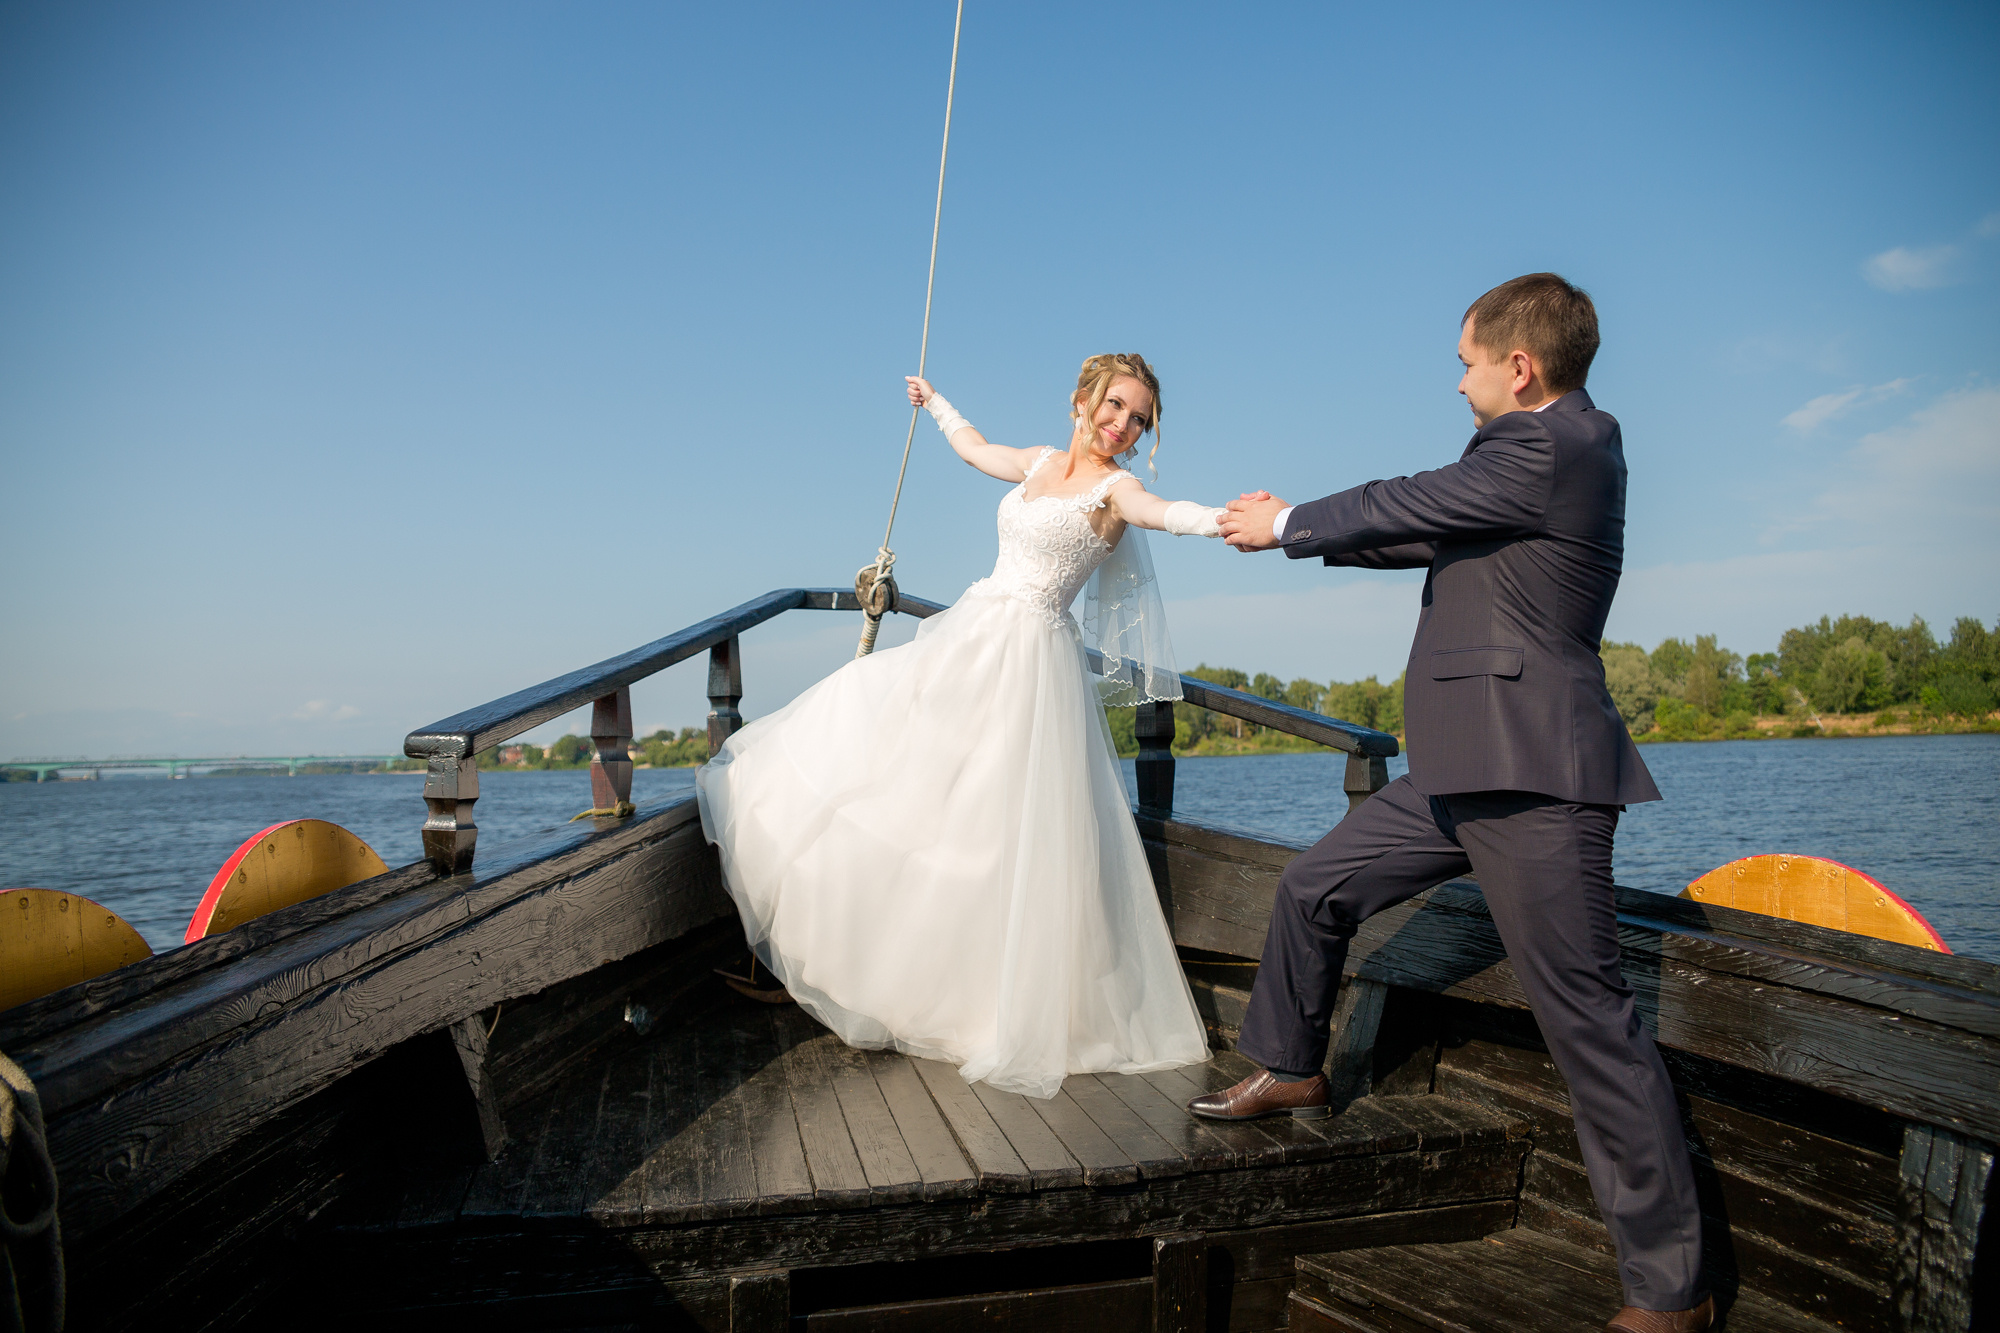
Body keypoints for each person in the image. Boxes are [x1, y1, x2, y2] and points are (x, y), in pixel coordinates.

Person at [1209, 275, 1710, 1333]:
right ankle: (1293, 1068)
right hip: (1451, 772)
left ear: (1516, 367)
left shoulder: (1558, 444)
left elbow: (1411, 500)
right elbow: (1411, 528)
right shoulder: (1514, 467)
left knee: (1590, 1025)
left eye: (1463, 360)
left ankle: (1668, 1293)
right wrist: (1286, 536)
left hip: (1532, 781)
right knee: (1313, 886)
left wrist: (1290, 517)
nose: (1456, 378)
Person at [696, 353, 1223, 1099]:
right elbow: (976, 449)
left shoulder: (1118, 488)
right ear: (1082, 401)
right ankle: (847, 956)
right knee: (893, 776)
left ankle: (964, 997)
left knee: (983, 828)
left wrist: (1227, 522)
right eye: (1116, 407)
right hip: (971, 633)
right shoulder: (1039, 462)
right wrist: (936, 402)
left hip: (1028, 663)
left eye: (1139, 419)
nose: (1124, 426)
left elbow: (1166, 516)